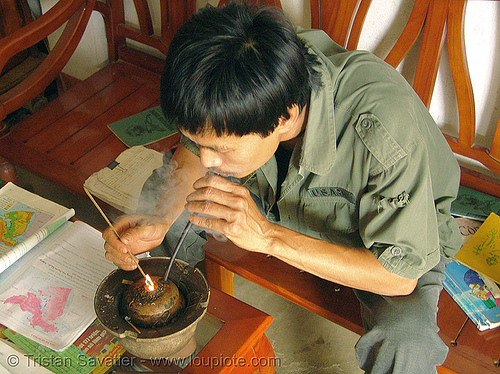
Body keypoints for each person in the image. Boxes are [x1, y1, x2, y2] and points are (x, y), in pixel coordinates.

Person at [103, 2, 462, 372]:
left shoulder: (383, 131)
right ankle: (176, 353)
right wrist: (160, 217)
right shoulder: (250, 74)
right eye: (199, 142)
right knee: (169, 201)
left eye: (222, 149)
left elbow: (399, 276)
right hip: (277, 198)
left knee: (406, 339)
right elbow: (195, 150)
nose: (208, 160)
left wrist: (268, 237)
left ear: (286, 115)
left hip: (377, 236)